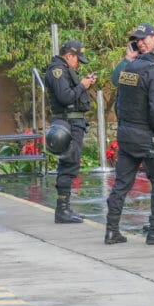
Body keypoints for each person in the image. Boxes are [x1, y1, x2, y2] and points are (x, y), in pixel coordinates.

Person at [105, 42, 154, 246]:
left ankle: (112, 230)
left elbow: (119, 102)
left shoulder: (130, 67)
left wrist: (125, 127)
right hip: (146, 137)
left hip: (126, 134)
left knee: (122, 184)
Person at [44, 40, 96, 224]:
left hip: (74, 122)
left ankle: (65, 207)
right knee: (68, 165)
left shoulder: (65, 70)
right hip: (68, 123)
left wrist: (84, 84)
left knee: (71, 164)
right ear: (69, 55)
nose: (78, 64)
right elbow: (65, 97)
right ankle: (62, 210)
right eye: (77, 60)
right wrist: (83, 85)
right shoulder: (57, 71)